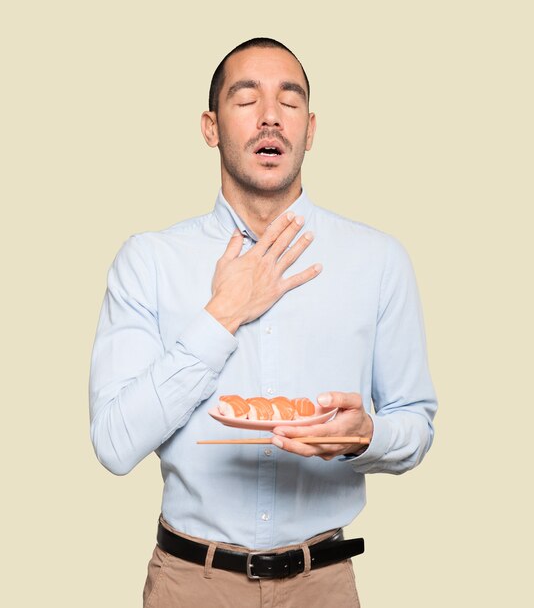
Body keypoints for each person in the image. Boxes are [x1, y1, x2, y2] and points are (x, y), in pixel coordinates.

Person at [89, 37, 437, 608]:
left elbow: (416, 425)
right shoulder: (148, 260)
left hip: (322, 584)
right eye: (246, 99)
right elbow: (114, 443)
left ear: (311, 127)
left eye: (290, 100)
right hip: (189, 583)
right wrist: (222, 315)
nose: (271, 116)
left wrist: (366, 438)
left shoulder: (379, 260)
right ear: (210, 126)